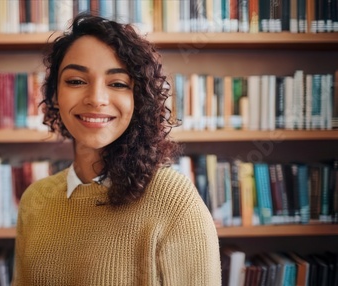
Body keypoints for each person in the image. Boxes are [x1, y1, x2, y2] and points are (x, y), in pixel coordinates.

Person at [13, 13, 221, 285]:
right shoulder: (34, 200)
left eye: (118, 84)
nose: (96, 99)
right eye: (76, 81)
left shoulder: (174, 202)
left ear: (139, 100)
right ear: (54, 95)